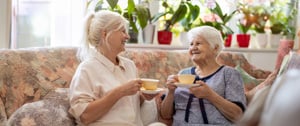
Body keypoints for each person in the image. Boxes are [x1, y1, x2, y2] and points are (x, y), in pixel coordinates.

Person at [68, 10, 160, 126]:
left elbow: (129, 108)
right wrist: (120, 92)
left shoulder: (129, 66)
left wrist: (143, 97)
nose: (127, 36)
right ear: (105, 34)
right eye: (123, 31)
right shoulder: (87, 69)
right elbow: (85, 116)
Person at [160, 26, 247, 125]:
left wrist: (210, 95)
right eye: (191, 44)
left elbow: (238, 116)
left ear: (215, 47)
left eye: (198, 43)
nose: (193, 48)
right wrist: (171, 92)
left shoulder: (229, 74)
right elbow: (165, 115)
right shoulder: (183, 74)